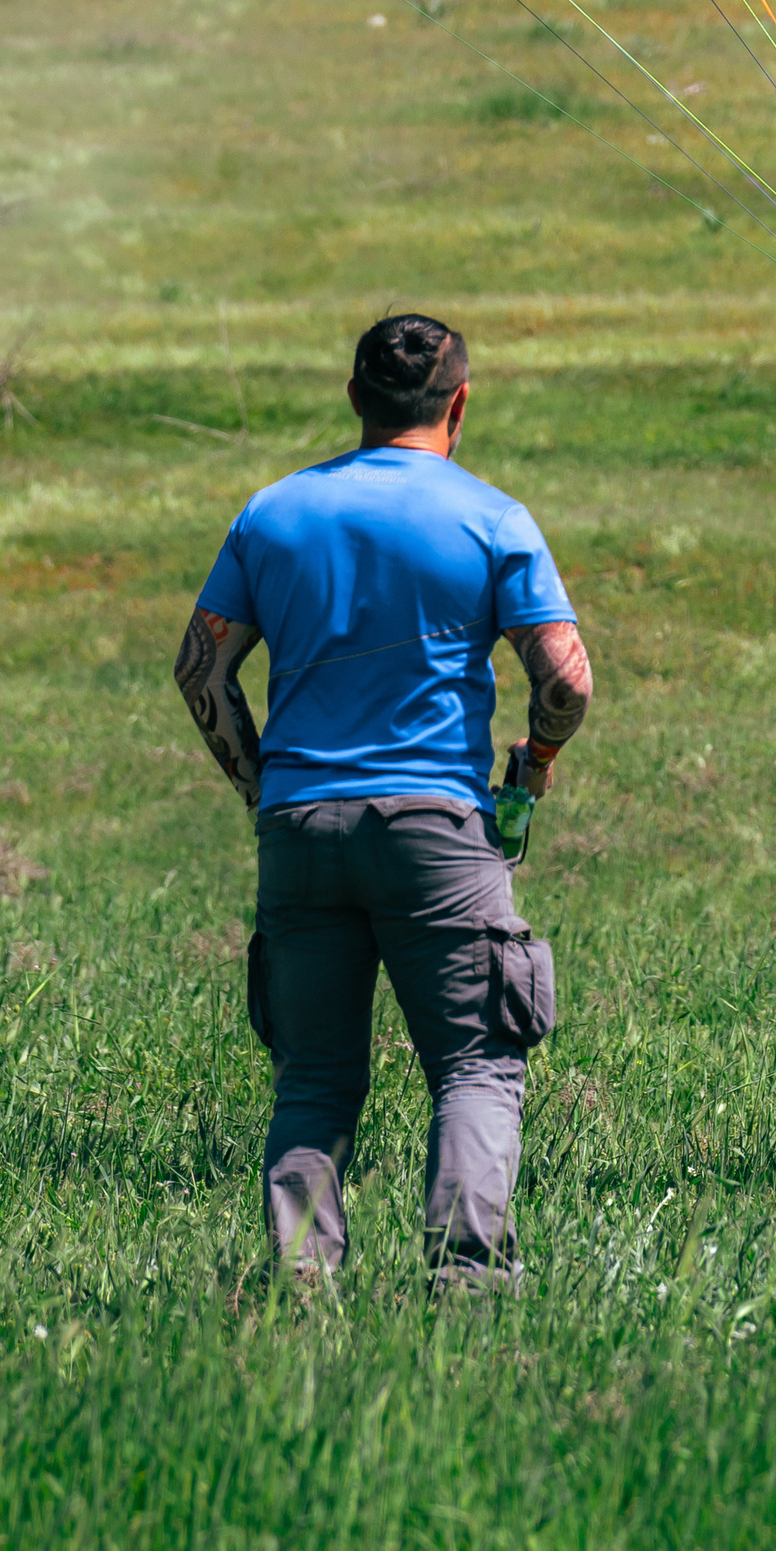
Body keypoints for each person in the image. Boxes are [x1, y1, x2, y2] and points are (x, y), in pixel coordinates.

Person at [173, 313, 592, 1287]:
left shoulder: (271, 513)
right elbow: (567, 682)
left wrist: (261, 789)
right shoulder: (493, 517)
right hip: (438, 829)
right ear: (461, 403)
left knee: (313, 1080)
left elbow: (202, 672)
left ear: (354, 398)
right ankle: (466, 1283)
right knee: (476, 1061)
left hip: (299, 826)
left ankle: (301, 1286)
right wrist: (531, 767)